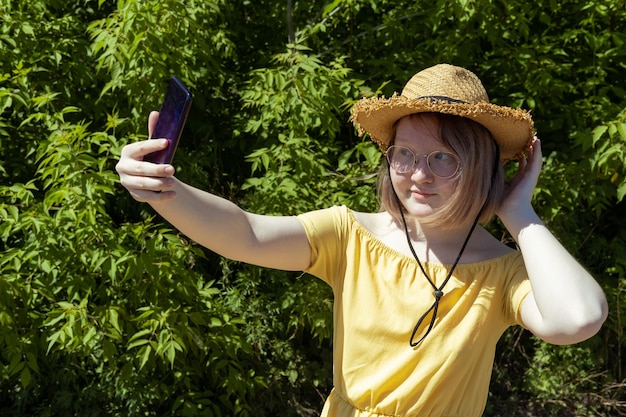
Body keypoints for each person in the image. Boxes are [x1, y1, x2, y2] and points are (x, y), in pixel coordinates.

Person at [116, 64, 608, 416]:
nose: (418, 174)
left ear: (481, 167)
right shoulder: (351, 235)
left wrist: (517, 211)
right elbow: (247, 232)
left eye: (443, 158)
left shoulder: (503, 273)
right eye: (405, 154)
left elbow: (578, 317)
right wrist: (167, 192)